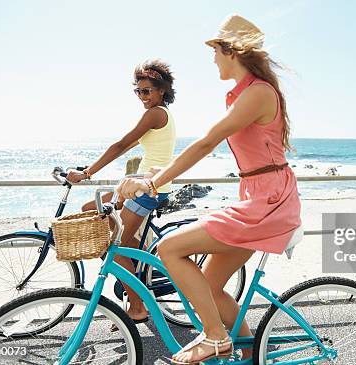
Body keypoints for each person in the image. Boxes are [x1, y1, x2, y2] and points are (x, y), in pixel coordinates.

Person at [117, 14, 301, 364]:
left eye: (215, 51)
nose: (212, 59)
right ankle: (248, 355)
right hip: (260, 198)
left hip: (268, 203)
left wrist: (152, 182)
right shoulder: (244, 94)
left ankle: (216, 337)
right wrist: (158, 171)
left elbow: (205, 143)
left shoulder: (258, 94)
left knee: (169, 249)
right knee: (211, 287)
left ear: (232, 51)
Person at [67, 59, 176, 325]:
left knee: (112, 246)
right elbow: (126, 147)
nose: (142, 96)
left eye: (147, 91)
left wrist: (87, 173)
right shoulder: (157, 116)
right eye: (138, 91)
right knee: (88, 210)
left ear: (161, 91)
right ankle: (146, 267)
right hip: (141, 185)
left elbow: (120, 144)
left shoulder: (156, 114)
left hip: (148, 188)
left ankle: (138, 306)